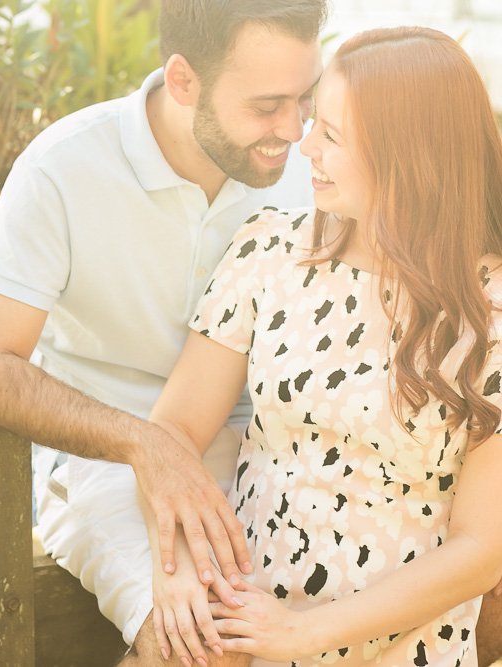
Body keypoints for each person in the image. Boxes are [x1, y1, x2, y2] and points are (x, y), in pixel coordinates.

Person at [0, 0, 326, 663]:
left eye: (307, 97)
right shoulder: (62, 168)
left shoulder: (313, 168)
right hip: (105, 458)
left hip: (276, 451)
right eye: (268, 105)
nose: (294, 129)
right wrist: (148, 445)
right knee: (206, 640)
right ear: (183, 81)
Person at [141, 26, 502, 666]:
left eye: (330, 135)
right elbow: (171, 433)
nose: (303, 145)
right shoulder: (267, 251)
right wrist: (179, 576)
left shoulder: (491, 311)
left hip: (403, 651)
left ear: (406, 156)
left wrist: (303, 635)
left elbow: (481, 550)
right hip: (238, 631)